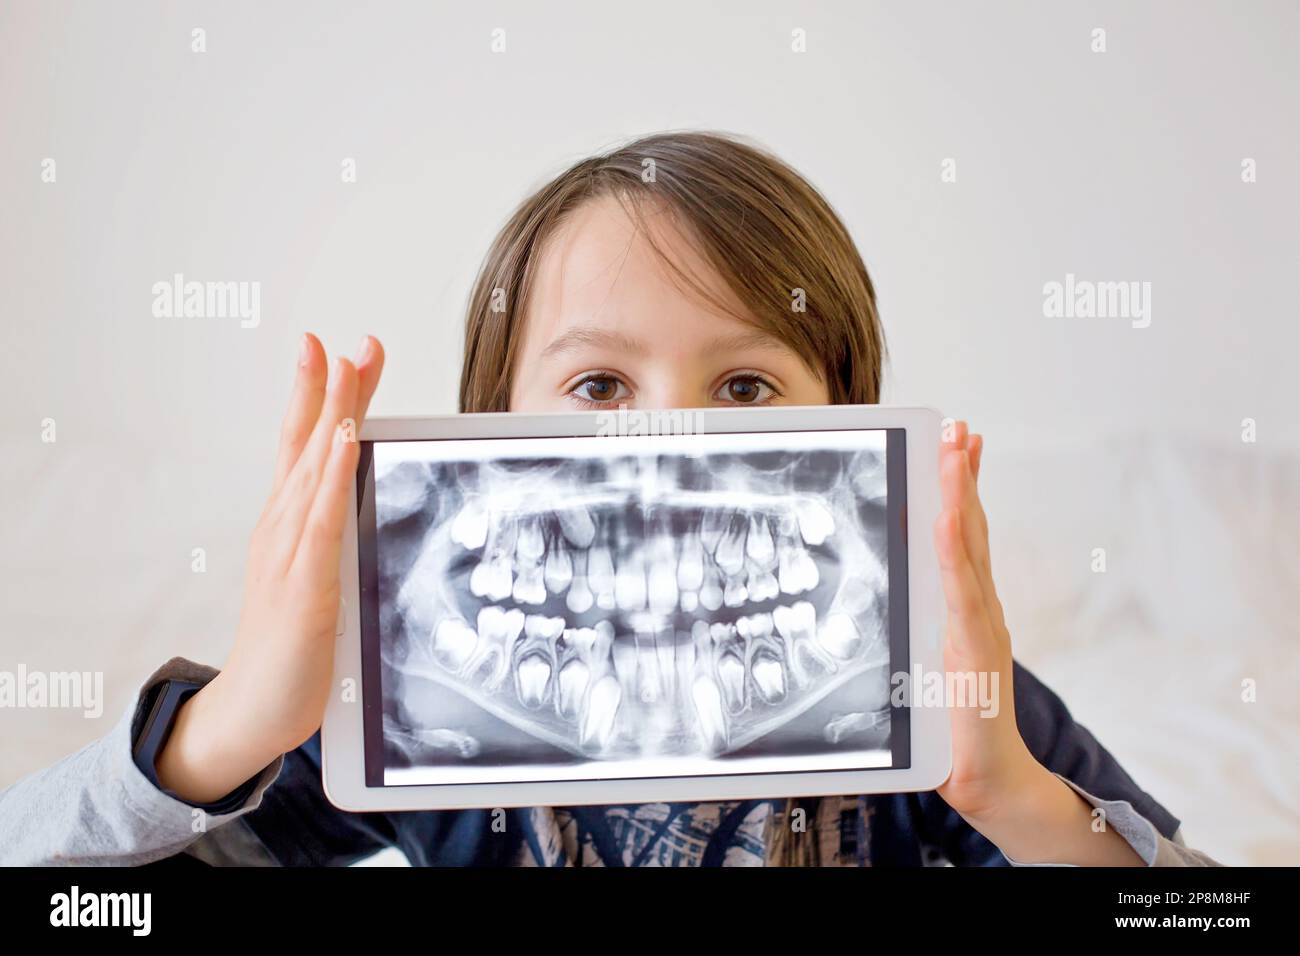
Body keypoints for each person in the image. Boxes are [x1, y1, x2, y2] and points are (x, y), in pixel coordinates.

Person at [0, 131, 1218, 866]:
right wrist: (230, 730)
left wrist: (1021, 803)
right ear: (487, 433)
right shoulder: (402, 713)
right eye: (595, 382)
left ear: (851, 428)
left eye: (745, 384)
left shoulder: (956, 714)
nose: (666, 450)